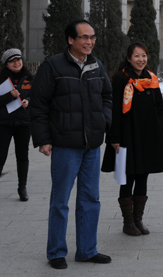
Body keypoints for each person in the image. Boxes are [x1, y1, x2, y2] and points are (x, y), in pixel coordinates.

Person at [30, 19, 113, 270]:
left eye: (92, 37)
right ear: (70, 40)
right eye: (84, 37)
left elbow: (107, 96)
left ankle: (87, 250)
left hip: (92, 145)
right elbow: (39, 104)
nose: (90, 42)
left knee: (91, 198)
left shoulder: (96, 65)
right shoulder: (53, 66)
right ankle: (56, 251)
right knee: (61, 200)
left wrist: (104, 120)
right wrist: (43, 139)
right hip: (65, 144)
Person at [104, 42, 163, 236]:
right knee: (127, 177)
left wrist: (158, 125)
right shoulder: (121, 79)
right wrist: (114, 136)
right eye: (136, 56)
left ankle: (138, 220)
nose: (141, 59)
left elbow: (160, 107)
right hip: (126, 136)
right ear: (129, 58)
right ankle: (128, 222)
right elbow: (114, 110)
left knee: (143, 176)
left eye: (143, 55)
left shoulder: (151, 79)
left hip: (147, 136)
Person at [0, 48, 33, 207]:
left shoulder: (29, 78)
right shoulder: (0, 79)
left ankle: (22, 188)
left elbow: (36, 96)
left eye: (18, 60)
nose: (16, 63)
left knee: (23, 156)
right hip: (4, 123)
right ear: (6, 64)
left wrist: (28, 102)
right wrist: (9, 96)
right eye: (12, 61)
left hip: (23, 123)